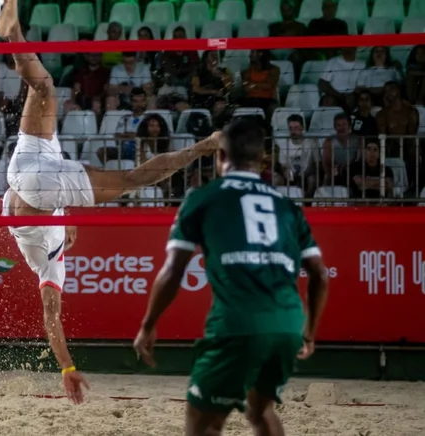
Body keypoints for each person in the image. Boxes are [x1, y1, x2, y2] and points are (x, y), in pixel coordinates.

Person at [0, 0, 221, 404]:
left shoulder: (48, 268)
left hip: (33, 180)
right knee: (44, 89)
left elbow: (50, 318)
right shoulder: (52, 251)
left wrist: (67, 366)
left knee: (130, 178)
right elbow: (49, 312)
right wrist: (69, 216)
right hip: (24, 170)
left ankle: (204, 147)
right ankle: (12, 32)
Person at [133, 117, 330, 436]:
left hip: (236, 326)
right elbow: (320, 274)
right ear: (262, 159)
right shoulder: (287, 206)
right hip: (288, 326)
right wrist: (308, 332)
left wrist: (148, 324)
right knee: (259, 410)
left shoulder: (204, 197)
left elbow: (172, 271)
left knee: (204, 423)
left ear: (221, 157)